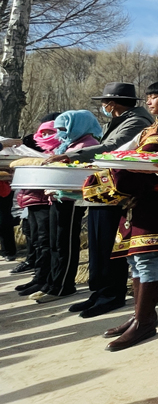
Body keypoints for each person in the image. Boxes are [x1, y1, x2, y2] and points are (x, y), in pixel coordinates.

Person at [83, 81, 158, 351]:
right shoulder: (150, 128)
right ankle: (140, 316)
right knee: (134, 258)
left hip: (157, 203)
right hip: (139, 201)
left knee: (147, 259)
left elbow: (144, 159)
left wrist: (115, 168)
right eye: (148, 97)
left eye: (154, 97)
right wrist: (98, 162)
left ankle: (145, 320)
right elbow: (122, 154)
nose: (150, 101)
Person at [57, 83, 153, 318]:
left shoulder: (136, 122)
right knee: (98, 246)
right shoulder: (121, 121)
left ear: (112, 103)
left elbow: (112, 148)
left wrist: (72, 156)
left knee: (108, 246)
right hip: (104, 191)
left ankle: (111, 295)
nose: (103, 107)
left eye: (104, 103)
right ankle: (99, 291)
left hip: (116, 193)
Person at [29, 110, 103, 303]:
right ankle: (53, 282)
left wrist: (62, 187)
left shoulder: (88, 146)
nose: (60, 133)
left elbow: (84, 176)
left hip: (71, 201)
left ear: (77, 126)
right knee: (54, 242)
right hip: (57, 198)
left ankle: (63, 285)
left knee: (65, 243)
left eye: (63, 128)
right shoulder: (69, 144)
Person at [12, 115, 61, 295]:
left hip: (44, 200)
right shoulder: (33, 149)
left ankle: (44, 278)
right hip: (30, 199)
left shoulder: (58, 151)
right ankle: (38, 277)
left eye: (50, 132)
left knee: (45, 241)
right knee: (36, 241)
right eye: (43, 132)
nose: (46, 136)